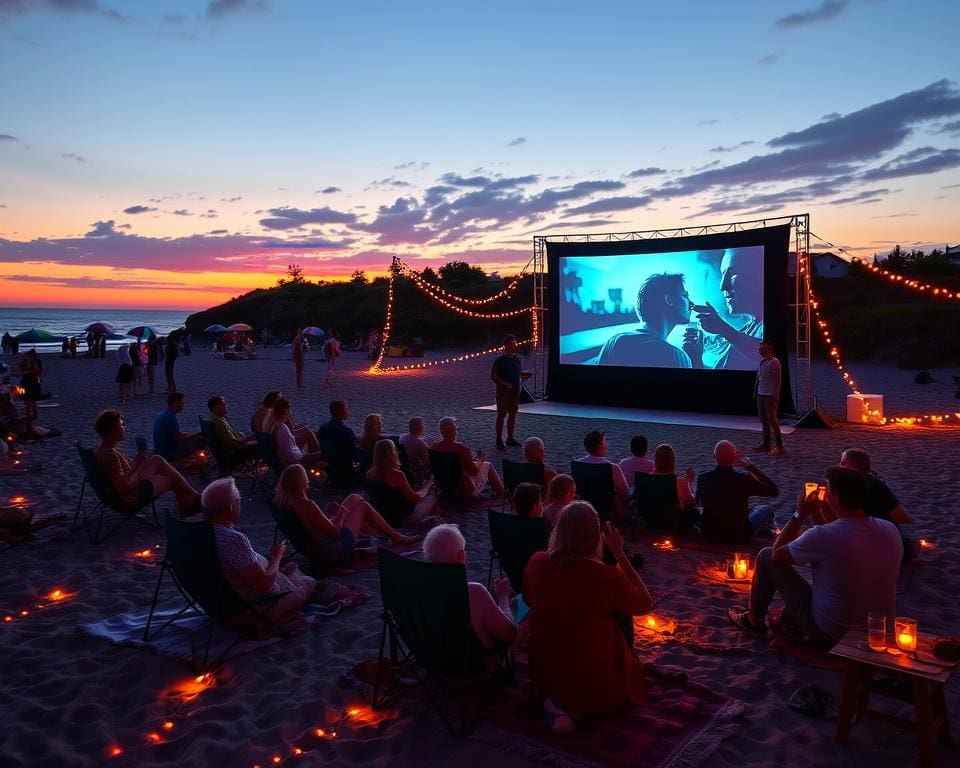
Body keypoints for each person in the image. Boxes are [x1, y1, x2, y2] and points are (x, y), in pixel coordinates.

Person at [728, 466, 903, 649]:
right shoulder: (889, 529)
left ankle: (754, 620)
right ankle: (787, 621)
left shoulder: (823, 535)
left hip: (831, 633)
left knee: (765, 556)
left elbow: (776, 555)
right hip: (878, 631)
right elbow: (845, 532)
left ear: (833, 497)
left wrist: (799, 514)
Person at [523, 502, 653, 733]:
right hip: (598, 684)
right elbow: (645, 602)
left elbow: (528, 600)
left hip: (546, 670)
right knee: (623, 614)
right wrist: (620, 555)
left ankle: (558, 702)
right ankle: (591, 691)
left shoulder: (537, 562)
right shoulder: (605, 576)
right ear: (596, 535)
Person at [202, 477, 316, 630]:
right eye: (239, 499)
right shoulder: (232, 540)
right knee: (309, 582)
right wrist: (278, 555)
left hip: (216, 608)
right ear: (231, 506)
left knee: (290, 568)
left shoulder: (201, 534)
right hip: (252, 610)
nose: (240, 502)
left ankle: (291, 576)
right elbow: (264, 584)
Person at [276, 464, 415, 571]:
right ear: (300, 482)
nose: (308, 481)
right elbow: (335, 532)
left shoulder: (283, 504)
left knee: (354, 498)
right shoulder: (305, 504)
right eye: (305, 478)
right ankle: (394, 536)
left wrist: (333, 517)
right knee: (362, 505)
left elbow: (315, 529)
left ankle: (385, 533)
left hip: (316, 548)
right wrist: (342, 513)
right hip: (332, 552)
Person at [423, 524, 516, 649]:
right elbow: (509, 634)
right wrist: (503, 597)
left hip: (434, 658)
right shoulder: (473, 592)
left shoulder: (421, 591)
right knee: (521, 606)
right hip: (471, 663)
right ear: (461, 556)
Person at [93, 409, 199, 516]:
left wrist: (139, 460)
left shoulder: (102, 450)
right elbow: (124, 489)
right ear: (112, 432)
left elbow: (124, 470)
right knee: (173, 479)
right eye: (121, 426)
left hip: (119, 491)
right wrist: (141, 469)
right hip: (130, 498)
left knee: (156, 459)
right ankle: (189, 503)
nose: (125, 429)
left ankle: (193, 497)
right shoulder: (111, 456)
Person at [596, 273, 694, 368]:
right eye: (685, 295)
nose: (691, 303)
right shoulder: (676, 356)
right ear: (669, 300)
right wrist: (695, 358)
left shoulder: (615, 342)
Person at [689, 248, 765, 370]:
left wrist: (723, 329)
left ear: (760, 274)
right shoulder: (750, 327)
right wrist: (696, 357)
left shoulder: (768, 325)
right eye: (722, 274)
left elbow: (770, 359)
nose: (723, 286)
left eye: (732, 272)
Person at [696, 440, 777, 545]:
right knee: (766, 510)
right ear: (734, 458)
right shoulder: (742, 479)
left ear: (714, 456)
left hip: (709, 533)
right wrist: (750, 468)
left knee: (753, 509)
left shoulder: (703, 478)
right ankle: (769, 532)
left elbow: (697, 501)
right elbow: (774, 491)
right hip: (738, 535)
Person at [840, 448, 913, 559]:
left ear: (851, 467)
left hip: (862, 543)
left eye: (842, 463)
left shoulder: (869, 485)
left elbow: (903, 517)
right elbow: (904, 517)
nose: (839, 466)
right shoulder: (874, 484)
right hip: (876, 543)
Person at [365, 439, 438, 525]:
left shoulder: (369, 473)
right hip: (399, 519)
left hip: (380, 516)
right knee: (431, 497)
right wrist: (427, 485)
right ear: (392, 453)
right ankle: (440, 521)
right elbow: (416, 498)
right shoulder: (397, 474)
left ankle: (438, 517)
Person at [431, 416, 505, 497]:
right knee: (488, 465)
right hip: (462, 487)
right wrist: (480, 460)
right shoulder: (461, 448)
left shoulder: (434, 447)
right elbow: (473, 472)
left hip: (443, 485)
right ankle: (502, 492)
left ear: (441, 431)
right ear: (455, 431)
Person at [577, 430, 630, 518]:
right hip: (606, 509)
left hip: (584, 506)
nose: (606, 445)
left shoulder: (577, 464)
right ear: (599, 446)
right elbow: (626, 492)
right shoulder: (612, 467)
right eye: (604, 442)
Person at [266, 397, 325, 470]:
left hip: (291, 459)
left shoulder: (273, 425)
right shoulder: (281, 428)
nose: (289, 414)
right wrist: (301, 455)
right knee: (325, 454)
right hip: (296, 461)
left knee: (308, 432)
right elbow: (289, 452)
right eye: (289, 411)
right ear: (285, 411)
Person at [650, 443, 699, 527]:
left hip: (651, 520)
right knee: (695, 512)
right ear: (673, 461)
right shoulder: (680, 482)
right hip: (674, 524)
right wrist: (689, 482)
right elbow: (692, 503)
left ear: (655, 460)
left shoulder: (647, 478)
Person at [152, 391, 206, 462]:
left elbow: (177, 434)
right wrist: (199, 434)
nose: (183, 406)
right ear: (175, 403)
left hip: (161, 450)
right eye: (181, 403)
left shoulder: (165, 413)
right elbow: (180, 439)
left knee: (197, 438)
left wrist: (195, 434)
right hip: (169, 453)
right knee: (202, 440)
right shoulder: (171, 417)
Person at [491, 334, 523, 450]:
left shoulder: (516, 359)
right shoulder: (500, 360)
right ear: (507, 345)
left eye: (515, 344)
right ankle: (499, 439)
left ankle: (510, 438)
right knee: (501, 415)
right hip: (503, 393)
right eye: (513, 344)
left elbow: (518, 375)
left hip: (515, 393)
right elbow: (493, 376)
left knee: (513, 415)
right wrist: (504, 384)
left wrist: (520, 384)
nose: (515, 346)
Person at [316, 399, 360, 484]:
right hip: (345, 471)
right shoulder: (346, 431)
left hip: (330, 469)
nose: (348, 411)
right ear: (341, 412)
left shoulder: (322, 428)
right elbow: (355, 453)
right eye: (346, 409)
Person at [207, 395, 259, 464]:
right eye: (224, 404)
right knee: (262, 442)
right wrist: (250, 437)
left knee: (248, 435)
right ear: (216, 408)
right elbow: (234, 444)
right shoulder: (219, 423)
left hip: (226, 453)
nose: (226, 406)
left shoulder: (214, 418)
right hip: (234, 454)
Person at [754, 339, 784, 455]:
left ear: (770, 348)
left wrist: (775, 394)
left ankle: (779, 446)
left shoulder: (774, 362)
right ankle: (766, 444)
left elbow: (778, 381)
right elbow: (758, 378)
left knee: (772, 419)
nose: (760, 349)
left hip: (770, 395)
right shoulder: (762, 362)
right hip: (761, 394)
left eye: (763, 347)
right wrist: (756, 391)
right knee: (764, 420)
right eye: (760, 347)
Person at [398, 416, 430, 485]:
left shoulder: (402, 437)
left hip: (404, 467)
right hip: (416, 471)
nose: (424, 427)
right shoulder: (420, 443)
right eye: (422, 425)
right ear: (420, 428)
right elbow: (427, 463)